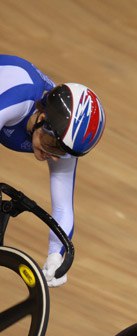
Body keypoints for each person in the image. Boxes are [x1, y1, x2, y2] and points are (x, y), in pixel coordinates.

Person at [0, 55, 106, 287]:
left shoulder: (62, 140)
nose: (54, 156)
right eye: (52, 146)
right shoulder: (21, 99)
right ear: (42, 119)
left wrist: (55, 256)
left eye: (65, 153)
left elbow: (62, 206)